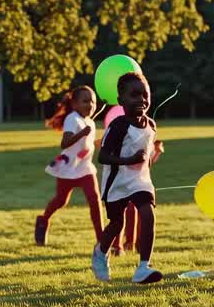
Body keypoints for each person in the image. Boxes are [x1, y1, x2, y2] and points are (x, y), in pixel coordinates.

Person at [91, 72, 165, 284]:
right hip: (117, 182)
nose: (141, 100)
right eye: (134, 95)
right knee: (116, 224)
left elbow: (146, 159)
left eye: (145, 95)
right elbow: (103, 157)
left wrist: (154, 155)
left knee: (148, 214)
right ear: (121, 100)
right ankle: (100, 252)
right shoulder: (118, 126)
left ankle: (143, 267)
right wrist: (129, 159)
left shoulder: (151, 125)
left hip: (141, 182)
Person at [35, 86, 102, 246]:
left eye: (93, 102)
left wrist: (98, 143)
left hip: (85, 168)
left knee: (94, 200)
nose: (90, 105)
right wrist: (81, 133)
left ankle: (101, 239)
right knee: (61, 201)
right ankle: (43, 220)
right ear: (74, 104)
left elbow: (86, 144)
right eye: (85, 101)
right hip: (68, 168)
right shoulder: (72, 119)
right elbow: (64, 143)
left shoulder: (89, 122)